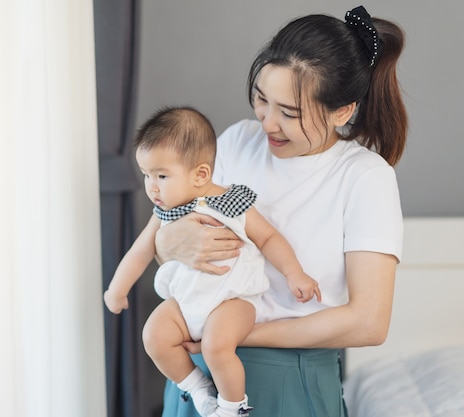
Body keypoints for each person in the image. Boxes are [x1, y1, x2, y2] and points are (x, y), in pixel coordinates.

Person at [155, 6, 407, 417]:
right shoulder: (237, 141)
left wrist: (237, 336)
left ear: (341, 111)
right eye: (261, 99)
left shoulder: (364, 177)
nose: (268, 122)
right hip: (197, 377)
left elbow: (368, 322)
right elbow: (169, 236)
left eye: (289, 113)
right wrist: (169, 243)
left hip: (290, 376)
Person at [104, 105, 321, 417]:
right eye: (146, 175)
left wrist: (294, 273)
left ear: (201, 174)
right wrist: (117, 290)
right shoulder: (163, 213)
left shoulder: (234, 203)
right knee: (153, 335)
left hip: (232, 301)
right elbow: (140, 251)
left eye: (162, 176)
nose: (151, 187)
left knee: (216, 346)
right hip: (185, 303)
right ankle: (197, 387)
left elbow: (269, 238)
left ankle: (233, 407)